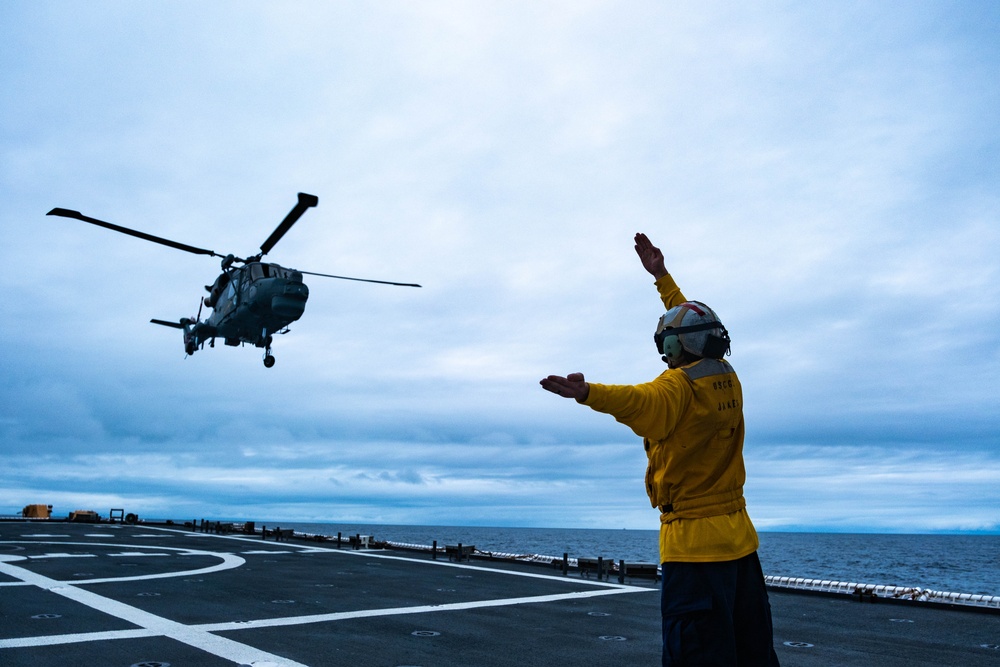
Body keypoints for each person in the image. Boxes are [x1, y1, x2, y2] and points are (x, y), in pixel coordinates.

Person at [540, 233, 780, 667]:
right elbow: (691, 323)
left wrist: (588, 392)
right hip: (741, 547)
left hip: (693, 551)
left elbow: (638, 401)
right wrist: (662, 278)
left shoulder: (676, 389)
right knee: (753, 656)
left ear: (674, 347)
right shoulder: (725, 374)